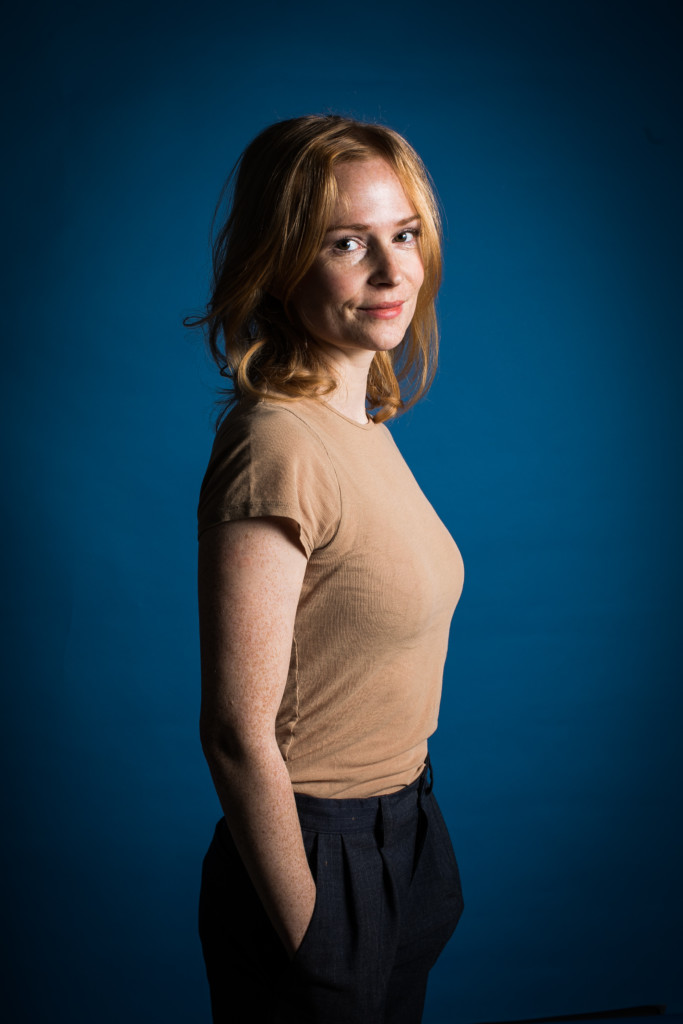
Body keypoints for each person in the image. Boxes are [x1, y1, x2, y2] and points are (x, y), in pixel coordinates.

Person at [189, 114, 465, 1024]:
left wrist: (413, 862)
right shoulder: (277, 444)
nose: (391, 271)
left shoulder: (360, 422)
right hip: (315, 851)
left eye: (404, 235)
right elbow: (236, 732)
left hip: (405, 832)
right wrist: (317, 935)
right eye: (346, 243)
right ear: (279, 262)